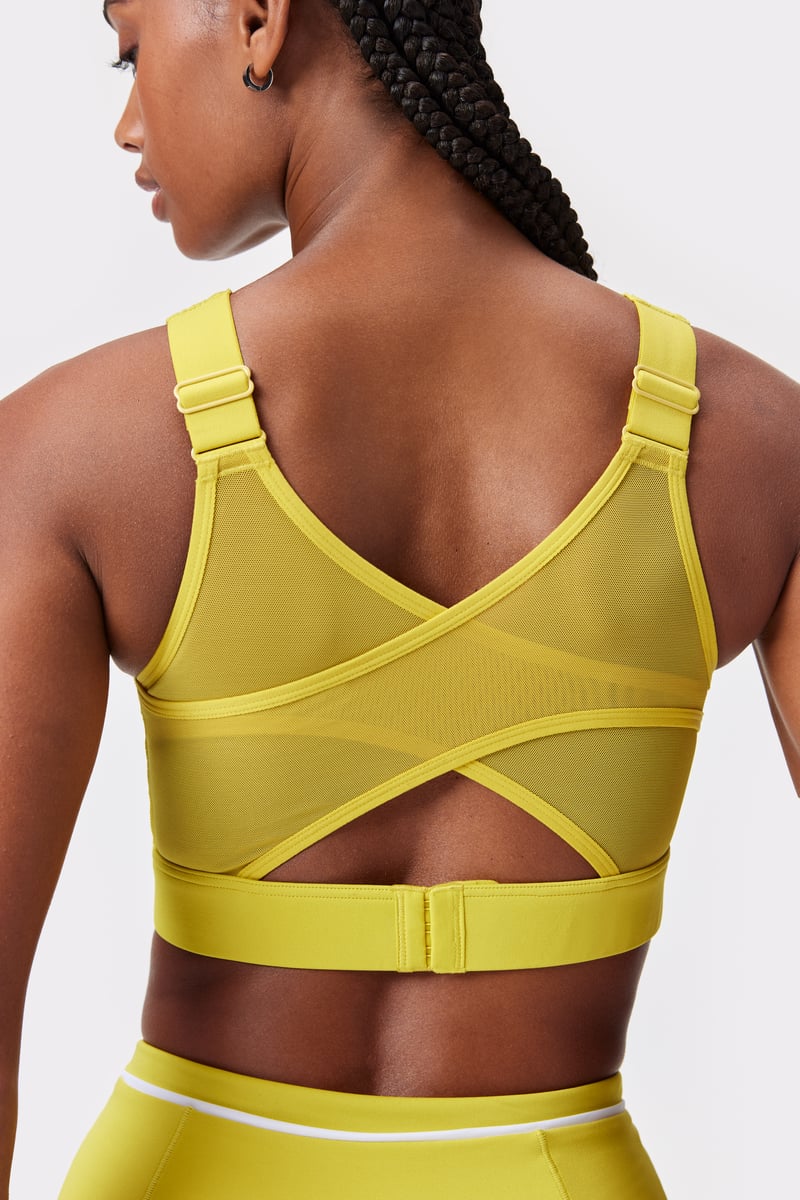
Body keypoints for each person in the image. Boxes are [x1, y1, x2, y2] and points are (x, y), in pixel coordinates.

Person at [1, 0, 798, 1196]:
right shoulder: (753, 444)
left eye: (128, 45)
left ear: (258, 19)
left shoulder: (75, 450)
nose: (125, 120)